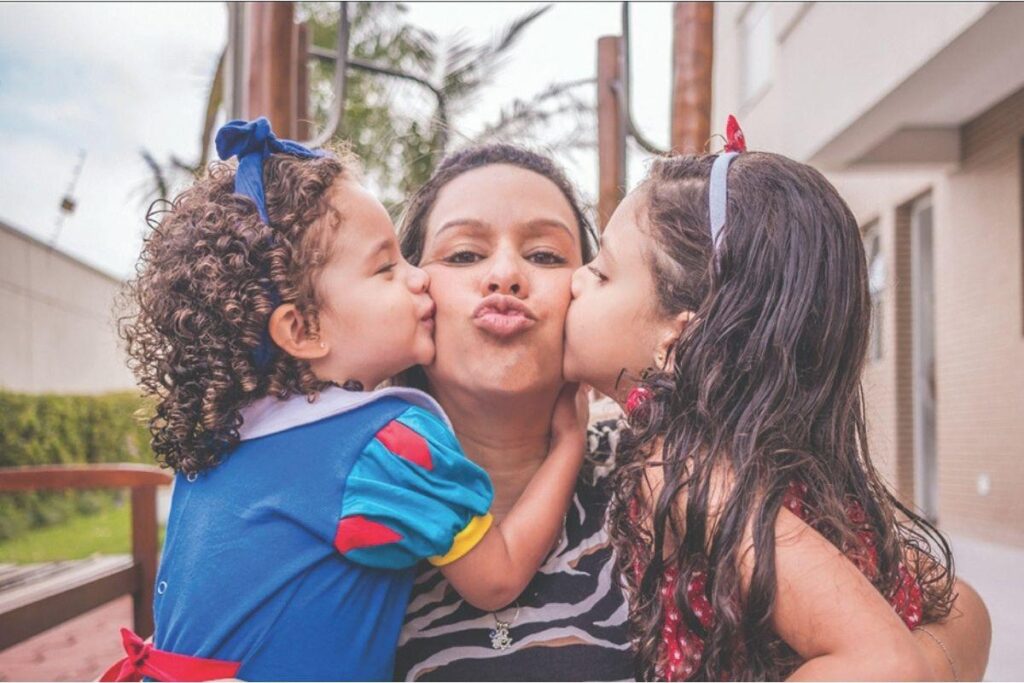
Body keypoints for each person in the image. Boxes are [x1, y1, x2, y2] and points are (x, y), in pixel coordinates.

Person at [396, 142, 992, 681]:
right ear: (406, 287)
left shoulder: (663, 471)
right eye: (466, 253)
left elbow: (950, 609)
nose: (505, 276)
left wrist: (921, 664)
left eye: (551, 257)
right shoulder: (357, 491)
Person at [103, 119, 586, 681]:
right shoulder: (383, 447)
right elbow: (496, 579)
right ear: (303, 331)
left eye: (547, 256)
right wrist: (568, 444)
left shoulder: (230, 434)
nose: (417, 280)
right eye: (387, 268)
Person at [562, 119, 959, 680]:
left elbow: (885, 664)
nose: (576, 282)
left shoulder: (687, 468)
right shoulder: (748, 459)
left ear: (677, 337)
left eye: (601, 272)